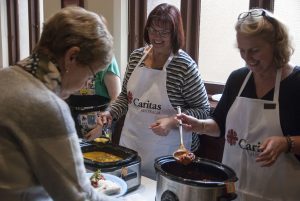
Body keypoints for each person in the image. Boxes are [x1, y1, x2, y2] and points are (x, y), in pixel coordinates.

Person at [0, 6, 123, 201]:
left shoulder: (5, 76)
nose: (85, 83)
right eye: (91, 74)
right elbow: (80, 196)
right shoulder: (46, 106)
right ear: (71, 57)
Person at [176, 8, 300, 201]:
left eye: (255, 50)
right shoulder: (237, 79)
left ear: (277, 45)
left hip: (279, 193)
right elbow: (220, 125)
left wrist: (286, 143)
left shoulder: (296, 83)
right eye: (242, 50)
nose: (247, 58)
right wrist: (199, 125)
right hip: (234, 191)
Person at [90, 3, 210, 180]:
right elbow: (125, 96)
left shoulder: (184, 66)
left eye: (164, 32)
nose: (157, 37)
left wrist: (172, 121)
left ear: (175, 34)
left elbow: (203, 110)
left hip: (170, 152)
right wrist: (110, 113)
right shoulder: (137, 57)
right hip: (132, 144)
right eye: (153, 30)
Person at [67, 56, 121, 140]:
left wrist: (102, 128)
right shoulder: (69, 57)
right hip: (71, 123)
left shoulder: (106, 58)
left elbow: (116, 98)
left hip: (98, 127)